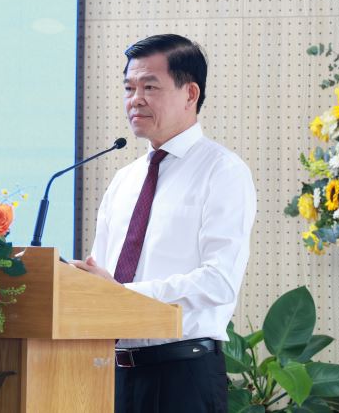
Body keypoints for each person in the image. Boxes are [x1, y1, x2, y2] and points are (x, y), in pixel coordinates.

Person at [72, 34, 257, 413]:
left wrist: (124, 295)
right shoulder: (124, 179)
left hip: (182, 376)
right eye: (129, 88)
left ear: (190, 94)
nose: (135, 99)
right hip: (113, 376)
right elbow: (101, 277)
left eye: (150, 87)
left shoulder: (222, 171)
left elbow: (219, 282)